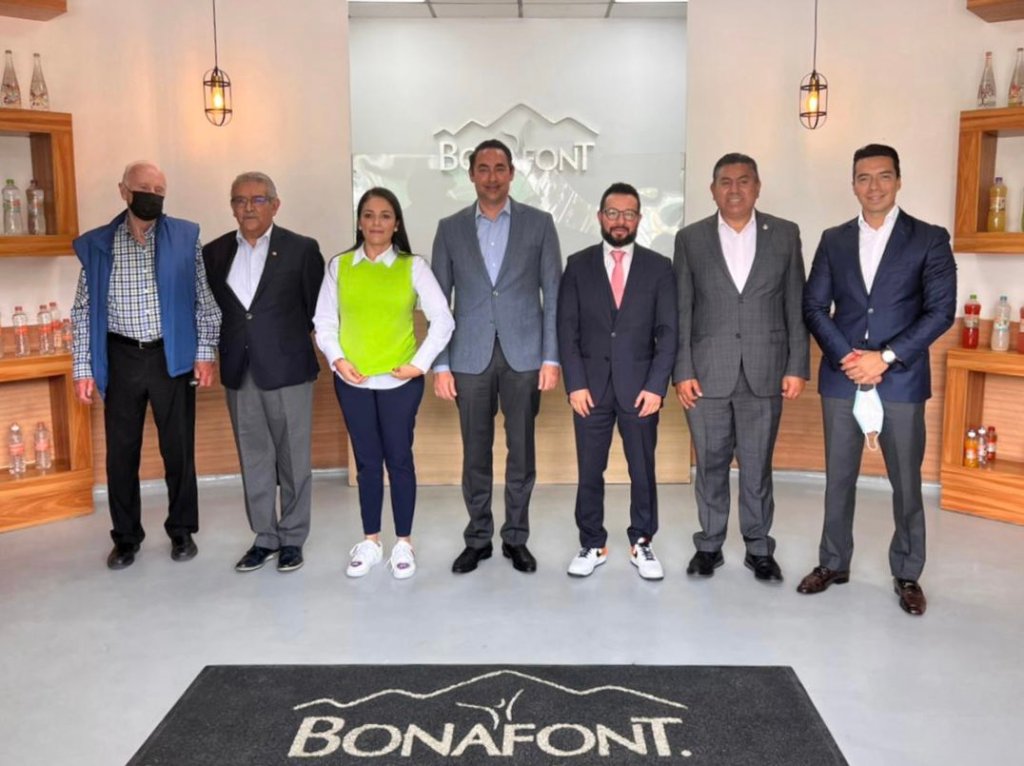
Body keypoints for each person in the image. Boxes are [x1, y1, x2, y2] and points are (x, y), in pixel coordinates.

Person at [798, 144, 956, 616]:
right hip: (842, 376)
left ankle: (907, 572)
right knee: (838, 477)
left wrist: (884, 357)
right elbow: (813, 306)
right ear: (853, 185)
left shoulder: (928, 238)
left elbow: (940, 311)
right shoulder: (834, 239)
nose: (874, 186)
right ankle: (833, 562)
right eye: (864, 177)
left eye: (884, 176)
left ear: (898, 181)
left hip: (901, 379)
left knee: (906, 481)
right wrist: (849, 357)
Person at [71, 160, 221, 570]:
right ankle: (125, 538)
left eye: (159, 190)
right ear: (123, 191)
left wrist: (204, 352)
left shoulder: (184, 238)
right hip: (120, 357)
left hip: (171, 356)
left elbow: (204, 300)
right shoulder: (99, 244)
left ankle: (182, 531)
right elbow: (83, 311)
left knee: (179, 450)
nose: (152, 196)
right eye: (144, 188)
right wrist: (82, 367)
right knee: (121, 454)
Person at [674, 153, 809, 582]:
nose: (735, 189)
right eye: (725, 182)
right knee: (710, 465)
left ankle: (759, 548)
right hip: (705, 373)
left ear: (757, 186)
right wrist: (682, 371)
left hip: (765, 370)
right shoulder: (690, 238)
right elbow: (682, 309)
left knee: (757, 466)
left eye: (744, 181)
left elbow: (795, 304)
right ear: (712, 190)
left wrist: (797, 366)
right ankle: (709, 545)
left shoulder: (784, 234)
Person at [431, 138, 562, 575]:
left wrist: (551, 358)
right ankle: (478, 538)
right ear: (471, 174)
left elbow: (553, 294)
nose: (492, 176)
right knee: (475, 453)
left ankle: (516, 538)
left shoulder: (539, 224)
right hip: (468, 357)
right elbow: (439, 303)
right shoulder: (449, 228)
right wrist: (441, 364)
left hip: (525, 356)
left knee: (521, 452)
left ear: (512, 174)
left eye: (500, 168)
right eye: (483, 168)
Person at [314, 187, 453, 579]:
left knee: (399, 459)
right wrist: (338, 360)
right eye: (369, 215)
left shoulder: (413, 266)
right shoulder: (340, 266)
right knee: (367, 463)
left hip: (399, 384)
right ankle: (371, 541)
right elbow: (324, 321)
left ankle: (404, 543)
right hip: (352, 381)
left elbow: (443, 319)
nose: (377, 222)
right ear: (360, 222)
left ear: (396, 224)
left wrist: (419, 365)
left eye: (385, 215)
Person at [202, 172, 324, 574]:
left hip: (288, 370)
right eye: (240, 200)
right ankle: (265, 537)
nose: (248, 207)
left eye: (258, 199)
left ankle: (293, 537)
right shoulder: (214, 252)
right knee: (253, 456)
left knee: (293, 459)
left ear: (275, 204)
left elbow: (318, 311)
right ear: (232, 207)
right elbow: (211, 311)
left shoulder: (302, 249)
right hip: (240, 370)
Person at [558, 183, 677, 580]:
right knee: (590, 470)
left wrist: (657, 386)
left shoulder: (659, 268)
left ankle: (642, 542)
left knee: (642, 470)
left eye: (629, 214)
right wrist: (575, 384)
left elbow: (668, 332)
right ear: (600, 217)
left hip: (641, 390)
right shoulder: (578, 265)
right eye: (613, 213)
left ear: (639, 219)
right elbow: (567, 330)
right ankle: (592, 542)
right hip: (589, 390)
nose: (620, 221)